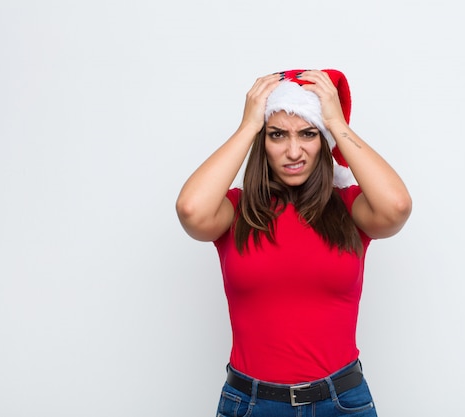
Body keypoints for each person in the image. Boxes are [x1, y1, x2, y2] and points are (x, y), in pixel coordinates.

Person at [176, 69, 412, 416]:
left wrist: (335, 122)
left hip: (341, 403)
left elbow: (397, 206)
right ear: (263, 142)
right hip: (252, 404)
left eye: (308, 133)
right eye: (277, 135)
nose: (293, 150)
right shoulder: (236, 210)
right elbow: (191, 210)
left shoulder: (349, 207)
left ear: (324, 140)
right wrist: (248, 127)